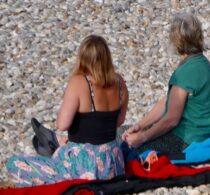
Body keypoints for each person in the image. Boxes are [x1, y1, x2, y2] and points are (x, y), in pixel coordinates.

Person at [6, 35, 129, 187]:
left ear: (82, 58)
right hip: (114, 164)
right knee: (66, 148)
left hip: (86, 167)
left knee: (14, 163)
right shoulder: (119, 82)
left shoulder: (80, 82)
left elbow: (63, 124)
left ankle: (56, 143)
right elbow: (119, 121)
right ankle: (57, 143)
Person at [122, 13, 210, 156]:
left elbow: (171, 119)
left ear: (176, 41)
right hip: (209, 134)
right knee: (128, 133)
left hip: (188, 140)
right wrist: (140, 126)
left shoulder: (185, 73)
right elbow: (168, 102)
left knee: (125, 147)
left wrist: (142, 138)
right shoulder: (205, 65)